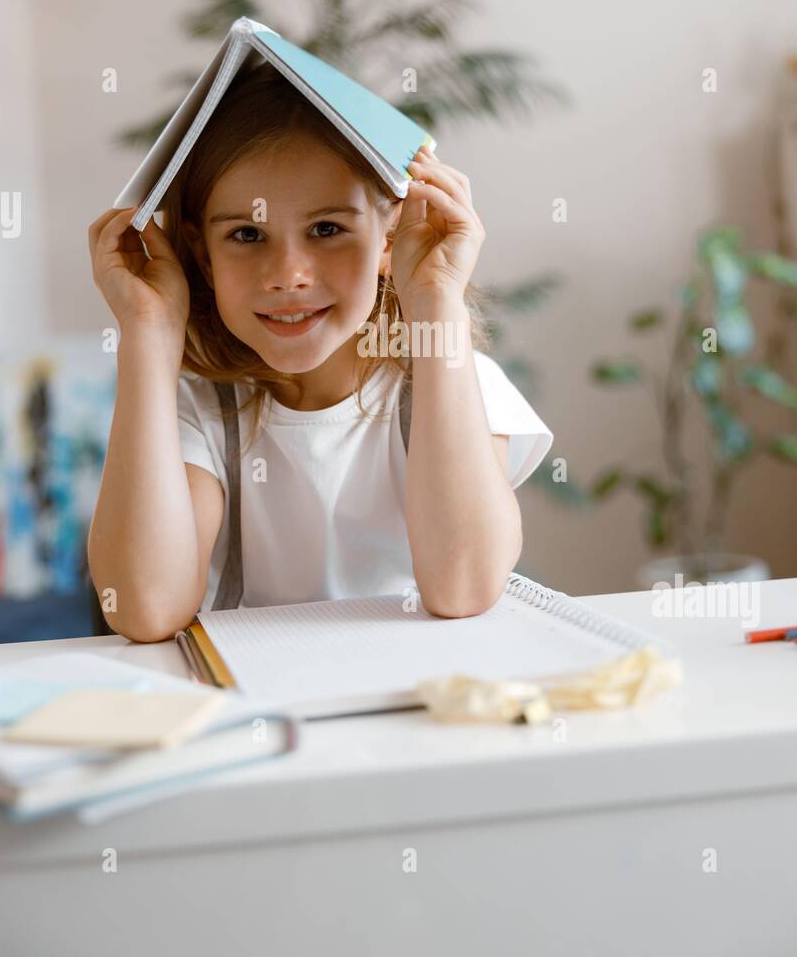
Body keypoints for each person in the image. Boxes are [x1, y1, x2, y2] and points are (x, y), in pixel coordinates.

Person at [87, 65, 552, 641]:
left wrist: (436, 302)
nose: (288, 275)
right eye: (247, 235)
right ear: (201, 256)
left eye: (327, 229)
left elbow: (463, 587)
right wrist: (147, 335)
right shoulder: (197, 407)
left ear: (389, 237)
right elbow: (142, 608)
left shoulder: (458, 381)